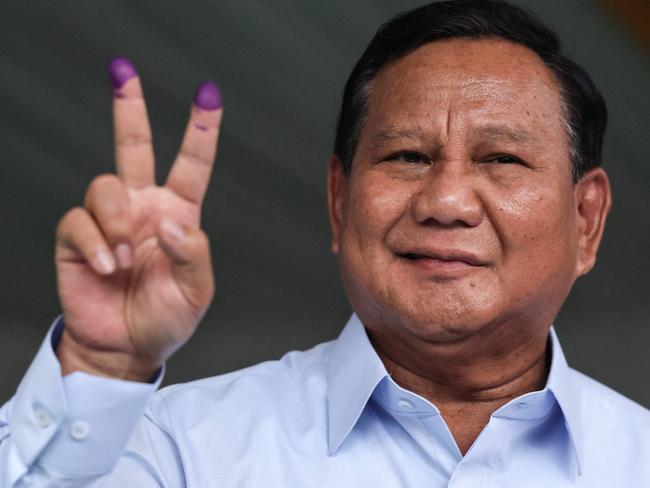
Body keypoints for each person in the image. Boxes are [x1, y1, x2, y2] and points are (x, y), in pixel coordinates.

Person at [1, 0, 648, 486]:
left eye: (501, 158)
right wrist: (102, 366)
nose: (446, 202)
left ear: (586, 219)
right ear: (340, 202)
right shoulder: (179, 446)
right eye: (408, 155)